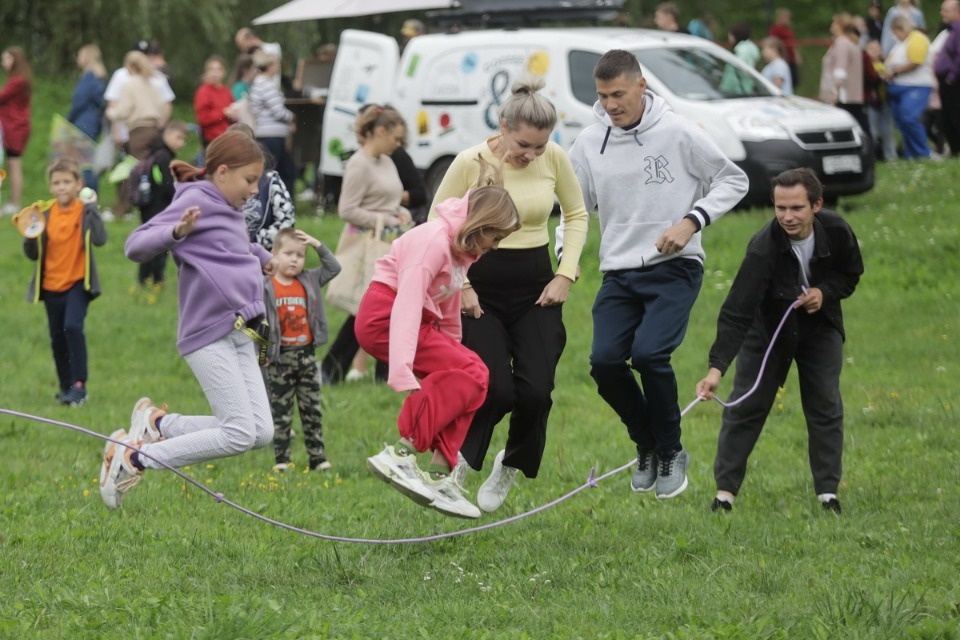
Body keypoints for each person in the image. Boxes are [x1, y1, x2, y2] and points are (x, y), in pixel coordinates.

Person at [567, 50, 748, 500]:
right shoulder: (590, 143)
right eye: (603, 96)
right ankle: (646, 444)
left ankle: (671, 451)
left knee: (649, 355)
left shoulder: (679, 131)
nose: (610, 104)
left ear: (641, 86)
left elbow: (734, 180)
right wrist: (563, 262)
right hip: (618, 274)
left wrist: (691, 222)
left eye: (619, 94)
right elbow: (574, 210)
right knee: (604, 363)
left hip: (675, 269)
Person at [430, 77, 589, 513]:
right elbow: (435, 222)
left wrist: (566, 274)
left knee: (537, 391)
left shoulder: (554, 157)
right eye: (524, 144)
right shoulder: (469, 161)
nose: (531, 155)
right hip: (480, 288)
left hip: (537, 287)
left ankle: (512, 462)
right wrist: (461, 284)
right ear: (502, 125)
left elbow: (575, 214)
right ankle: (461, 464)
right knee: (495, 388)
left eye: (540, 146)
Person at [101, 130, 279, 509]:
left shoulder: (229, 208)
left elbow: (234, 246)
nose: (253, 190)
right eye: (249, 181)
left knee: (260, 432)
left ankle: (157, 425)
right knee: (236, 434)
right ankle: (132, 457)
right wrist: (176, 231)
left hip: (242, 329)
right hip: (208, 334)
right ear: (222, 172)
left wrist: (264, 258)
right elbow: (134, 245)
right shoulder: (196, 200)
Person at [696, 168, 864, 515]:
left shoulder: (837, 230)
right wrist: (716, 370)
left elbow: (850, 275)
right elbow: (737, 311)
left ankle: (828, 494)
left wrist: (824, 292)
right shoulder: (763, 248)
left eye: (797, 208)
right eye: (780, 208)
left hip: (821, 327)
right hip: (768, 331)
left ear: (816, 205)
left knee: (825, 405)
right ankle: (724, 495)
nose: (787, 216)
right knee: (745, 407)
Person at [357, 168, 522, 519]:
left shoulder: (460, 253)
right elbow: (408, 301)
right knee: (473, 369)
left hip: (415, 319)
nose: (496, 245)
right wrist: (401, 369)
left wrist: (454, 350)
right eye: (496, 236)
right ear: (482, 223)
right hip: (385, 316)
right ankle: (400, 454)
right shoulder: (433, 241)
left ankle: (438, 474)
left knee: (476, 378)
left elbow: (446, 308)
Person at [321, 106, 413, 385]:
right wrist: (382, 218)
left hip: (388, 243)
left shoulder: (387, 161)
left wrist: (399, 213)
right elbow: (347, 209)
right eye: (396, 138)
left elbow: (388, 198)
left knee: (382, 309)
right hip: (366, 245)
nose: (398, 145)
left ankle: (374, 373)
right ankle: (332, 369)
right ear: (380, 132)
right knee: (366, 310)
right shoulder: (359, 164)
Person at [23, 158, 107, 406]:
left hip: (77, 284)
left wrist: (92, 209)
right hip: (50, 286)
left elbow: (101, 239)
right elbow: (33, 254)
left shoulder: (84, 210)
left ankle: (79, 386)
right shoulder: (45, 213)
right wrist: (29, 234)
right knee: (57, 337)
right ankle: (65, 386)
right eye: (57, 183)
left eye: (67, 182)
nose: (62, 187)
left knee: (72, 327)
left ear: (79, 184)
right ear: (50, 186)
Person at [263, 228, 341, 473]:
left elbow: (334, 268)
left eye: (300, 255)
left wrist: (317, 245)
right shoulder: (264, 286)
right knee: (281, 412)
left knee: (312, 410)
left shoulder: (309, 280)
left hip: (306, 356)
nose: (295, 259)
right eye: (288, 253)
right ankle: (282, 460)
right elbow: (257, 324)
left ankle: (317, 458)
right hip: (279, 358)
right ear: (274, 254)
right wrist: (262, 354)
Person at [135, 121, 189, 290]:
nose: (181, 142)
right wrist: (176, 198)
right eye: (178, 137)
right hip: (158, 207)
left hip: (147, 205)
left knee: (149, 242)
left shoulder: (154, 153)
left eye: (183, 139)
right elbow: (164, 183)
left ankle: (145, 278)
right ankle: (156, 278)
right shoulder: (163, 157)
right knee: (161, 243)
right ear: (167, 135)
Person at [229, 123, 296, 251]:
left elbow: (287, 221)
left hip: (264, 256)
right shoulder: (220, 181)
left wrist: (255, 241)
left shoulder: (270, 180)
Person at [884, 16, 935, 159]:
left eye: (896, 32)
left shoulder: (917, 38)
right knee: (901, 122)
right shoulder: (901, 43)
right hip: (898, 87)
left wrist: (894, 72)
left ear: (902, 28)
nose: (895, 35)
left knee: (909, 118)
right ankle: (911, 153)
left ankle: (924, 152)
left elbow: (915, 61)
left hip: (915, 86)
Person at [249, 49, 296, 196]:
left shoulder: (258, 83)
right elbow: (278, 111)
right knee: (283, 171)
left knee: (273, 170)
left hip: (266, 132)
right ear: (270, 66)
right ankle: (282, 203)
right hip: (272, 134)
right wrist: (292, 117)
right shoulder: (266, 85)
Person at [820, 14, 871, 142]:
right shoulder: (852, 42)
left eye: (833, 24)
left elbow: (840, 69)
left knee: (846, 124)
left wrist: (834, 91)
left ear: (839, 26)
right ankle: (869, 147)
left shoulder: (842, 43)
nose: (831, 26)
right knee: (859, 121)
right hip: (852, 92)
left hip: (843, 94)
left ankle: (864, 148)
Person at [68, 44, 107, 194]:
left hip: (84, 122)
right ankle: (88, 193)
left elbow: (79, 100)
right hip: (92, 122)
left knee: (83, 161)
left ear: (86, 58)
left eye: (80, 55)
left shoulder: (89, 78)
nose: (78, 58)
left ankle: (89, 193)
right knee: (86, 159)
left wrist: (69, 119)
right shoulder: (98, 78)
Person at [0, 46, 32, 215]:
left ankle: (15, 203)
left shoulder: (18, 81)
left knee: (14, 165)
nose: (3, 63)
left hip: (15, 127)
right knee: (12, 165)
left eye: (6, 59)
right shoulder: (17, 79)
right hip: (14, 126)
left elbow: (2, 97)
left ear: (14, 60)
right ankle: (13, 201)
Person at [933, 0, 960, 156]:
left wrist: (952, 76)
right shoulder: (951, 30)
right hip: (947, 81)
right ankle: (955, 149)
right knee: (948, 117)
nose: (942, 13)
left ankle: (957, 149)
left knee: (954, 116)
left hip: (953, 81)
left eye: (946, 10)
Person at [865, 39, 899, 161]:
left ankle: (891, 156)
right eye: (872, 49)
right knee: (872, 131)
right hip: (872, 102)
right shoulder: (866, 65)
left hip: (885, 101)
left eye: (877, 49)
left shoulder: (884, 63)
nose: (875, 52)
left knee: (887, 130)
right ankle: (872, 157)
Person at [194, 55, 235, 149]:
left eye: (218, 70)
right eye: (211, 70)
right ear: (207, 72)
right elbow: (202, 118)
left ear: (224, 72)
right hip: (212, 139)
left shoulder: (226, 91)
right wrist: (223, 112)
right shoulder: (204, 91)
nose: (215, 73)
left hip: (228, 136)